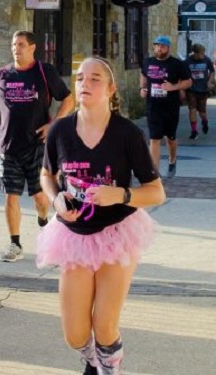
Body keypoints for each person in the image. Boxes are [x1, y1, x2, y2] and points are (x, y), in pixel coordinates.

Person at [37, 57, 165, 375]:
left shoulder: (127, 133)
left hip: (117, 232)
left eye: (94, 79)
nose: (85, 84)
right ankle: (93, 360)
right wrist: (56, 201)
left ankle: (109, 367)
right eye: (80, 78)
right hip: (73, 235)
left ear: (111, 89)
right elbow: (46, 175)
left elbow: (156, 192)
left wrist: (119, 195)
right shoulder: (60, 131)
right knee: (75, 334)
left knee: (105, 326)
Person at [0, 30, 75, 262]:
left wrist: (54, 124)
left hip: (38, 145)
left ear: (32, 48)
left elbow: (68, 99)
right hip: (8, 147)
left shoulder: (44, 72)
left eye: (21, 44)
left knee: (40, 198)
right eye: (13, 44)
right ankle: (15, 243)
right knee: (11, 196)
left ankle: (42, 219)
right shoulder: (1, 75)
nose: (16, 48)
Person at [140, 35, 192, 178]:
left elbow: (188, 82)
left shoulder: (177, 64)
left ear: (168, 48)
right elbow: (143, 76)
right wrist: (142, 89)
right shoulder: (147, 62)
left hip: (170, 106)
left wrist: (173, 87)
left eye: (162, 46)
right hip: (153, 106)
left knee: (170, 138)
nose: (159, 48)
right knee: (154, 139)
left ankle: (172, 160)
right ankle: (154, 172)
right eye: (157, 45)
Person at [183, 43, 213, 139]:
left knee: (202, 112)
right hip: (191, 89)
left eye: (203, 53)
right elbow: (182, 76)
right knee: (192, 109)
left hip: (203, 89)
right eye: (201, 53)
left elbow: (212, 71)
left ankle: (204, 122)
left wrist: (209, 81)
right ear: (195, 53)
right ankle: (194, 131)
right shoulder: (187, 62)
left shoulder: (206, 60)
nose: (203, 55)